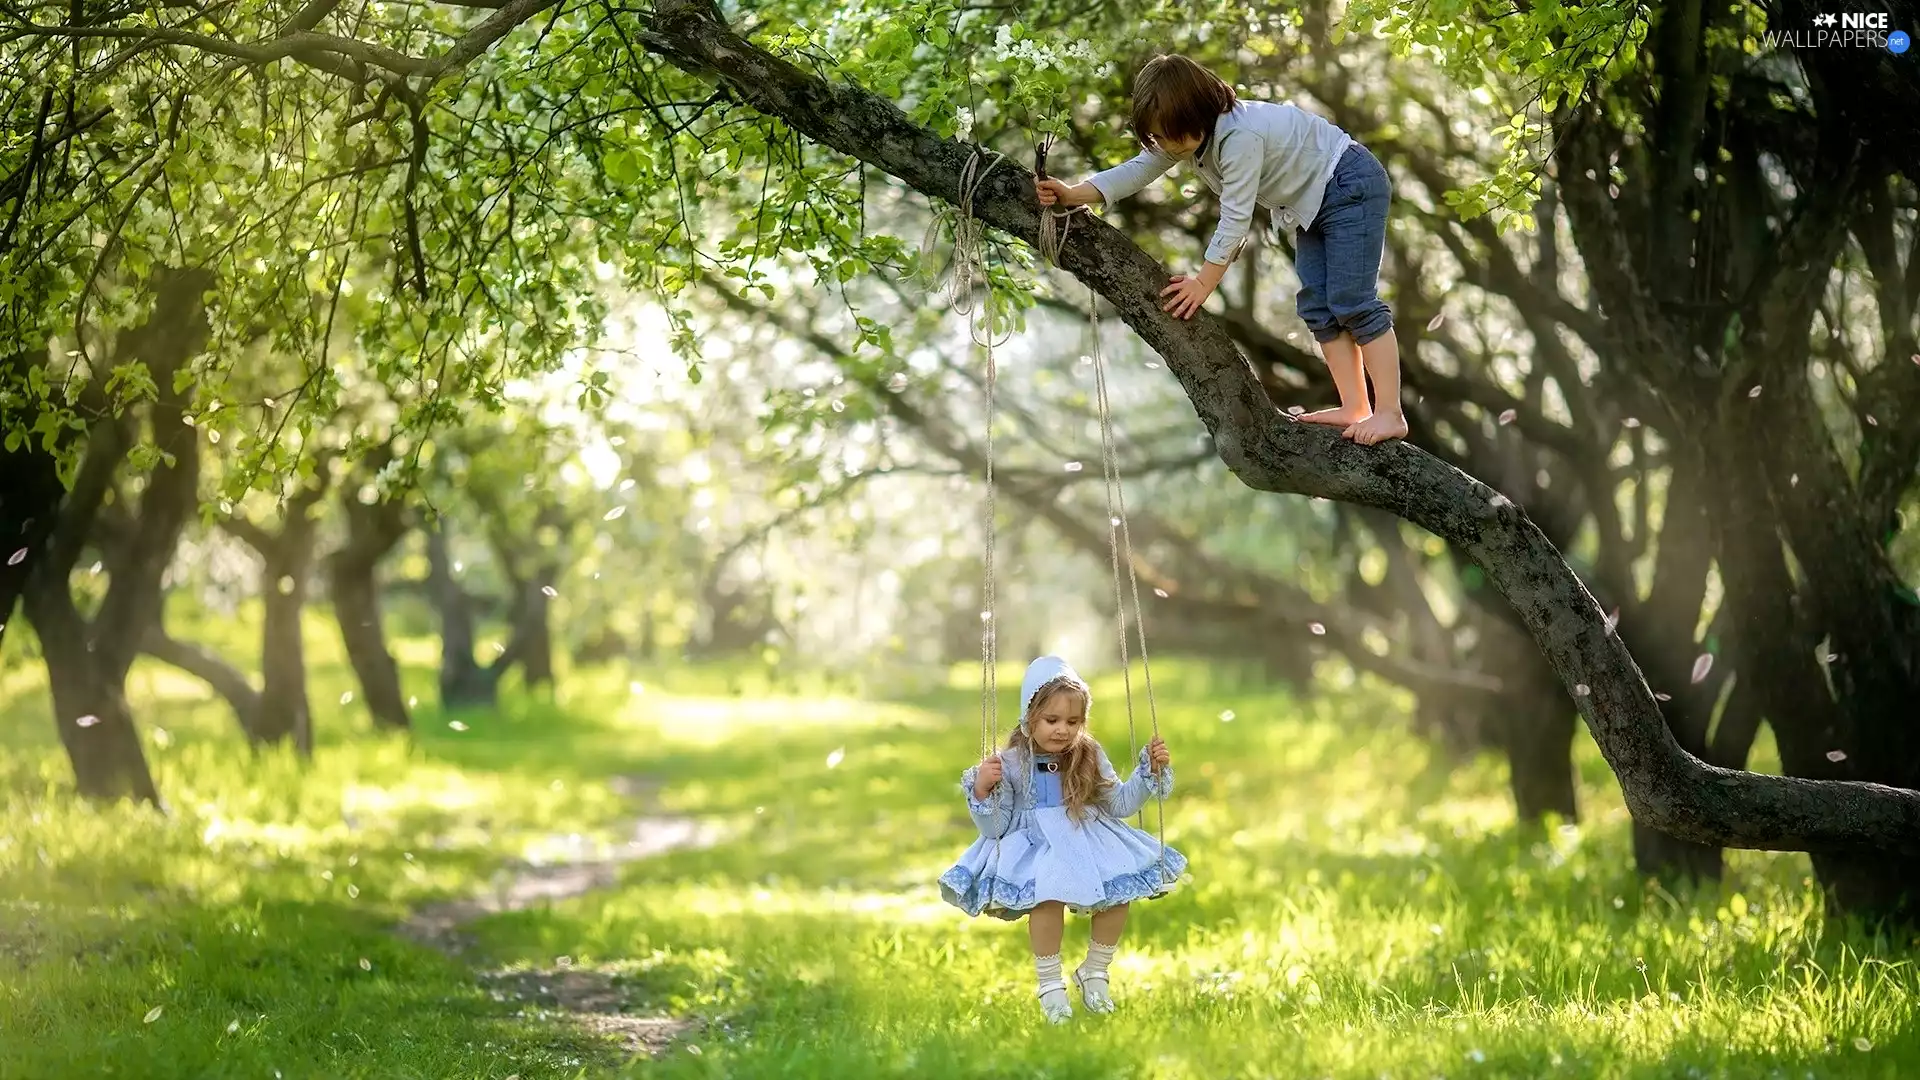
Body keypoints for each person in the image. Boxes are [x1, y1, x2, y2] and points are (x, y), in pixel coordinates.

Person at [1035, 53, 1408, 446]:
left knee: (1352, 301)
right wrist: (1075, 193)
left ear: (1196, 114)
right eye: (1156, 138)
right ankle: (1355, 407)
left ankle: (1390, 414)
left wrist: (1202, 283)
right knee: (1317, 305)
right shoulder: (1187, 136)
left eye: (1168, 136)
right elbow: (1137, 169)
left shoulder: (1238, 137)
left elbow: (1235, 219)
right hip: (1310, 202)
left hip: (1348, 184)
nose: (1163, 146)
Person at [938, 655, 1185, 1023]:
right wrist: (982, 789)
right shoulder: (1010, 763)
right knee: (1046, 900)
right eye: (1051, 720)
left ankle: (1095, 972)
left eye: (1073, 721)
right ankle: (1051, 986)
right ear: (1029, 716)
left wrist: (1146, 772)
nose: (1062, 730)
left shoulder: (1088, 754)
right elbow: (995, 829)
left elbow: (1118, 804)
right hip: (1037, 846)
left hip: (1084, 837)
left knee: (1117, 896)